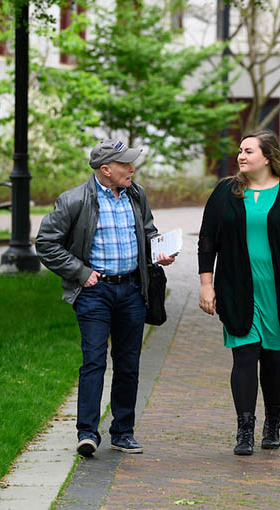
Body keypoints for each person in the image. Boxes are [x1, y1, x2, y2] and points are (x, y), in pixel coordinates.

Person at [36, 139, 176, 458]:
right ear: (106, 169)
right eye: (126, 164)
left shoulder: (136, 195)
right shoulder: (74, 200)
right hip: (94, 292)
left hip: (131, 290)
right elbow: (45, 243)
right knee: (94, 360)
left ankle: (123, 432)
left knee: (128, 363)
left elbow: (149, 232)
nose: (132, 169)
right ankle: (87, 432)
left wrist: (158, 253)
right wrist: (80, 272)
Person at [198, 130, 280, 456]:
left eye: (248, 151)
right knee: (245, 354)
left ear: (267, 156)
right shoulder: (226, 192)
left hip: (279, 290)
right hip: (237, 287)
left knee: (273, 357)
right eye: (240, 150)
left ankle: (273, 421)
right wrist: (206, 284)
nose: (241, 156)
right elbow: (207, 239)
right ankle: (244, 428)